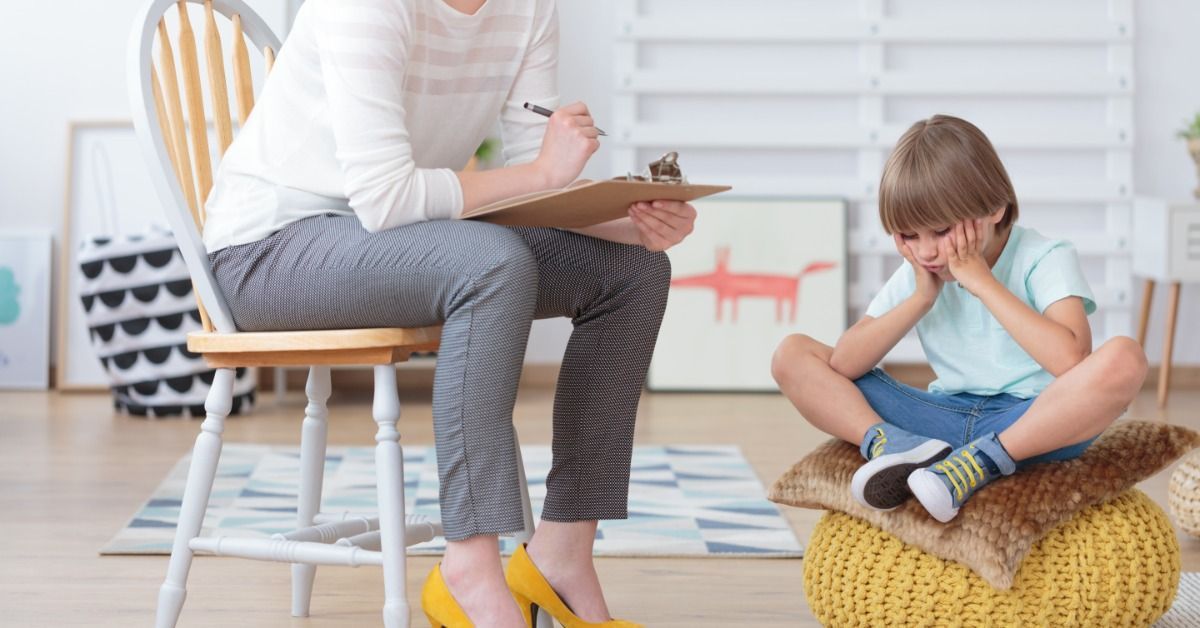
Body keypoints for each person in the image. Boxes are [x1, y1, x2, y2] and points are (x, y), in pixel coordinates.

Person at [203, 0, 696, 625]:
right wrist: (543, 169)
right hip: (270, 254)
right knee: (490, 261)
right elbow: (387, 197)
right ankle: (468, 564)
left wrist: (631, 224)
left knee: (630, 271)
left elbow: (532, 189)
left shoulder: (529, 8)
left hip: (405, 239)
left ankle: (562, 554)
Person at [770, 114, 1147, 524]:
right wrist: (920, 298)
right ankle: (892, 444)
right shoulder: (924, 271)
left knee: (1125, 357)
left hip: (1030, 425)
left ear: (994, 208)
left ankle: (980, 463)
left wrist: (982, 282)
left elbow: (1072, 360)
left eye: (941, 231)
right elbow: (844, 363)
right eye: (909, 237)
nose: (928, 251)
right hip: (940, 420)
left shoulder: (1044, 257)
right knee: (792, 354)